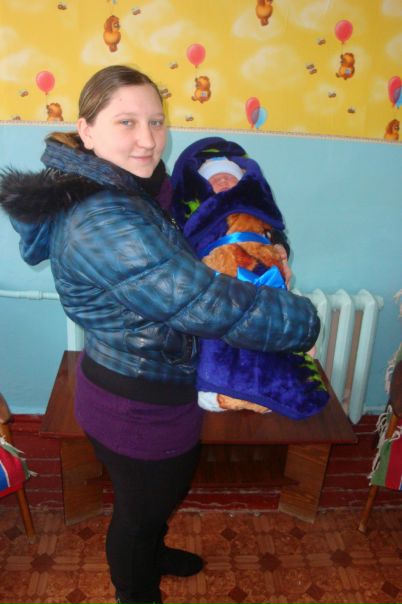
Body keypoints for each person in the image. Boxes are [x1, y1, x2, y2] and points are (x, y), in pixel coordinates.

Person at [0, 65, 320, 604]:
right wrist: (300, 320)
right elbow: (199, 300)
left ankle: (153, 549)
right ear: (87, 130)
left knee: (157, 495)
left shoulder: (127, 186)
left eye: (156, 121)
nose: (148, 139)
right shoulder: (105, 220)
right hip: (137, 402)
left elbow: (183, 238)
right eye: (126, 122)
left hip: (144, 377)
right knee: (139, 512)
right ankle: (137, 588)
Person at [171, 137, 327, 419]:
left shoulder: (254, 210)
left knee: (272, 326)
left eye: (229, 177)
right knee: (221, 338)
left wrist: (280, 250)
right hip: (220, 287)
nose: (222, 181)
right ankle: (220, 389)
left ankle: (278, 378)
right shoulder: (198, 215)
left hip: (264, 280)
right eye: (214, 178)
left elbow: (272, 234)